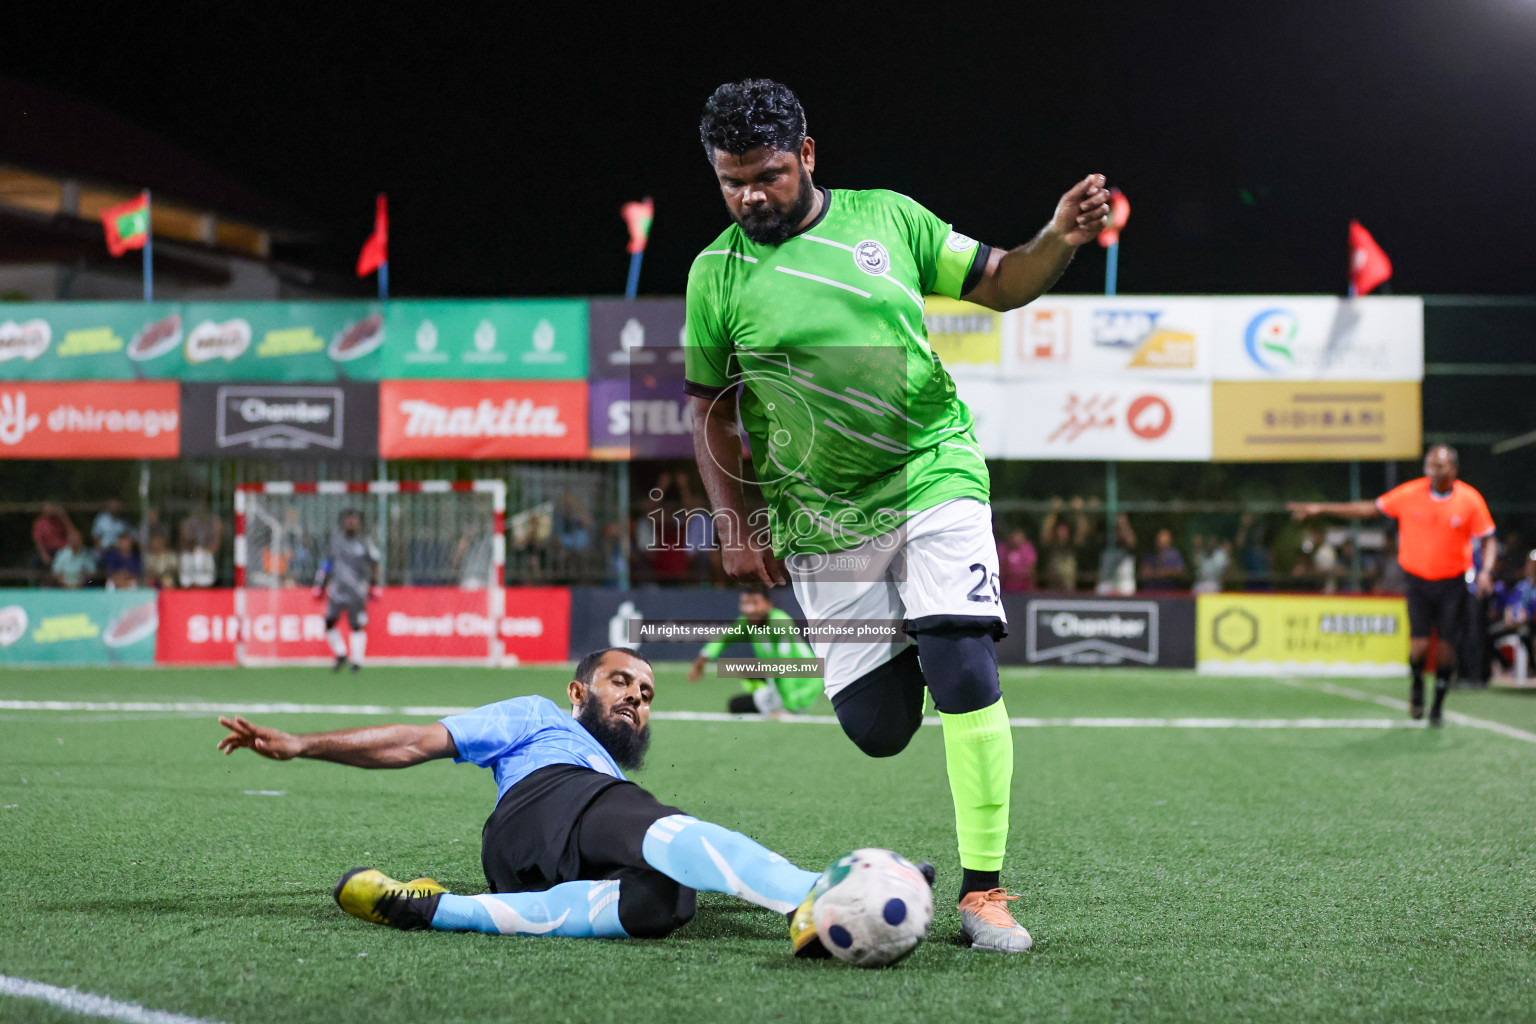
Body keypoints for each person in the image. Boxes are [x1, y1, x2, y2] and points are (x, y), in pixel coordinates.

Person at [684, 79, 1109, 952]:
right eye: (732, 181)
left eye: (765, 174)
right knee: (878, 730)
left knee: (962, 672)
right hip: (820, 516)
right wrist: (735, 525)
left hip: (929, 467)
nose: (749, 196)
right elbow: (711, 412)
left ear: (807, 155)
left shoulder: (890, 220)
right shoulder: (713, 275)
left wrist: (1057, 239)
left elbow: (1000, 281)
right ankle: (934, 627)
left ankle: (982, 891)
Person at [214, 648, 897, 954]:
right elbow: (416, 741)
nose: (636, 696)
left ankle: (435, 909)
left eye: (647, 693)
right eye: (620, 682)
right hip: (547, 804)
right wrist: (305, 745)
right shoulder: (539, 717)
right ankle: (815, 894)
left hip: (530, 860)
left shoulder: (606, 769)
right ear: (578, 693)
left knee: (662, 902)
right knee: (659, 827)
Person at [1289, 445, 1496, 725]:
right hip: (1418, 581)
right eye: (1430, 465)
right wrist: (1323, 508)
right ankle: (1417, 685)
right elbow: (1368, 508)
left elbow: (1488, 538)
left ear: (1453, 470)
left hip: (1452, 582)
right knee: (1419, 647)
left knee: (1447, 649)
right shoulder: (1410, 494)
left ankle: (1438, 703)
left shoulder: (1470, 500)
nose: (1433, 470)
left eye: (1440, 466)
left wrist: (1485, 570)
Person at [686, 585, 822, 716]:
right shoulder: (748, 622)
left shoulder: (779, 623)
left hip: (802, 686)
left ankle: (783, 705)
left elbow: (786, 666)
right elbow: (724, 639)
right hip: (780, 683)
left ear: (768, 604)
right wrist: (701, 660)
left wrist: (789, 707)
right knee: (738, 696)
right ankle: (771, 699)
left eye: (755, 603)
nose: (750, 609)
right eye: (745, 603)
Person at [313, 509, 380, 673]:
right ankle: (341, 654)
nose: (351, 523)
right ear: (343, 523)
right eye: (348, 521)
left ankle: (356, 662)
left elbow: (375, 564)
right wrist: (320, 586)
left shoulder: (365, 542)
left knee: (356, 625)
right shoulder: (336, 542)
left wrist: (375, 585)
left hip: (356, 592)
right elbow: (327, 565)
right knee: (329, 622)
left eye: (354, 521)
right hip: (337, 590)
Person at [31, 501, 73, 573]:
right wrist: (44, 555)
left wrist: (63, 516)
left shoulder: (60, 520)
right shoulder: (39, 522)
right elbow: (38, 541)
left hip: (61, 550)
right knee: (33, 561)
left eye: (51, 508)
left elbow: (72, 533)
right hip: (47, 550)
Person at [997, 528, 1037, 594]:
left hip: (1023, 584)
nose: (1016, 539)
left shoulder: (1028, 549)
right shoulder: (1003, 549)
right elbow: (1001, 568)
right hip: (1007, 585)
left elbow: (1031, 569)